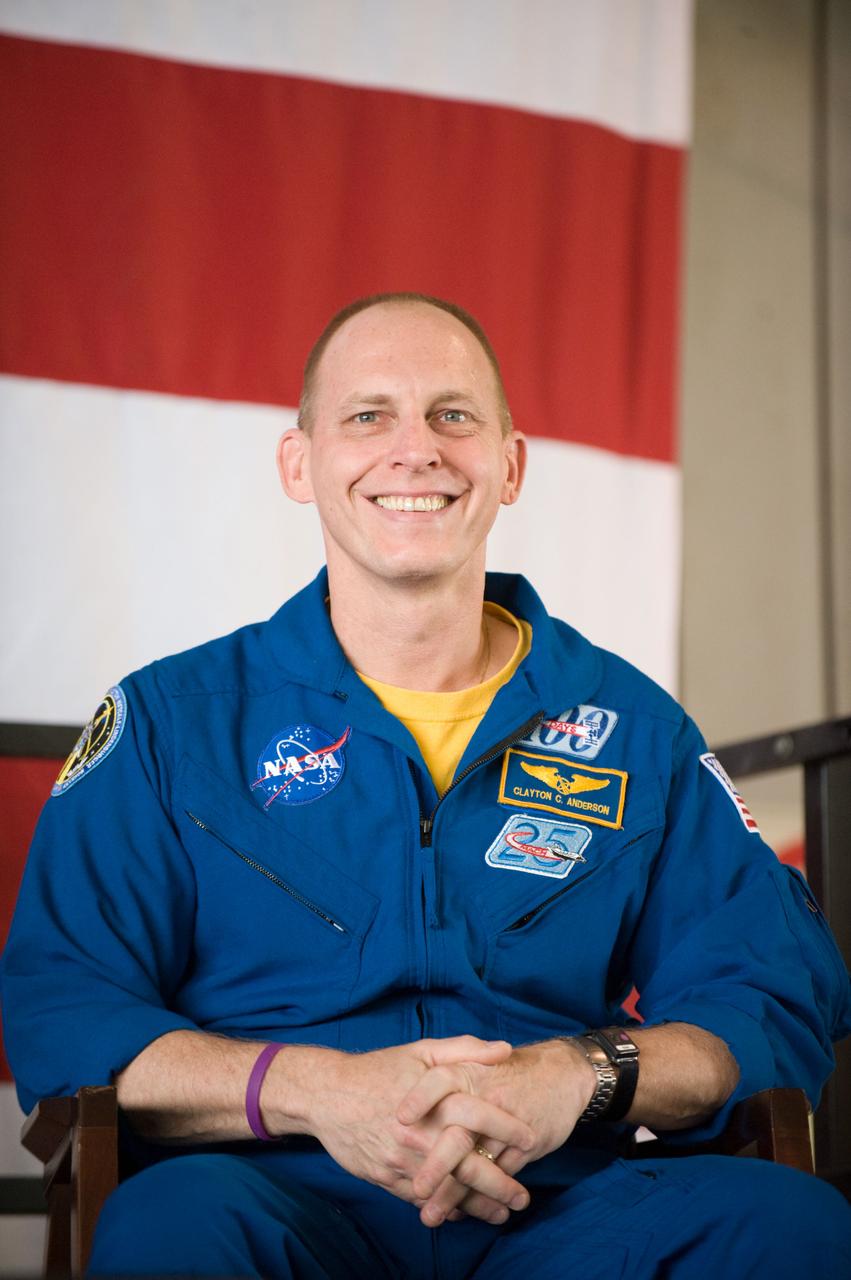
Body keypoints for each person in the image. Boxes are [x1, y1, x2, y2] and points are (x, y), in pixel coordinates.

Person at [3, 293, 851, 1278]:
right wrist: (319, 1091)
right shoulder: (169, 721)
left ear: (509, 464)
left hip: (557, 1201)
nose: (416, 449)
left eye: (453, 414)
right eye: (368, 415)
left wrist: (577, 1075)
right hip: (269, 1191)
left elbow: (768, 992)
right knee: (173, 1228)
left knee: (787, 1225)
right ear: (298, 462)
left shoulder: (631, 727)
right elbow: (65, 1006)